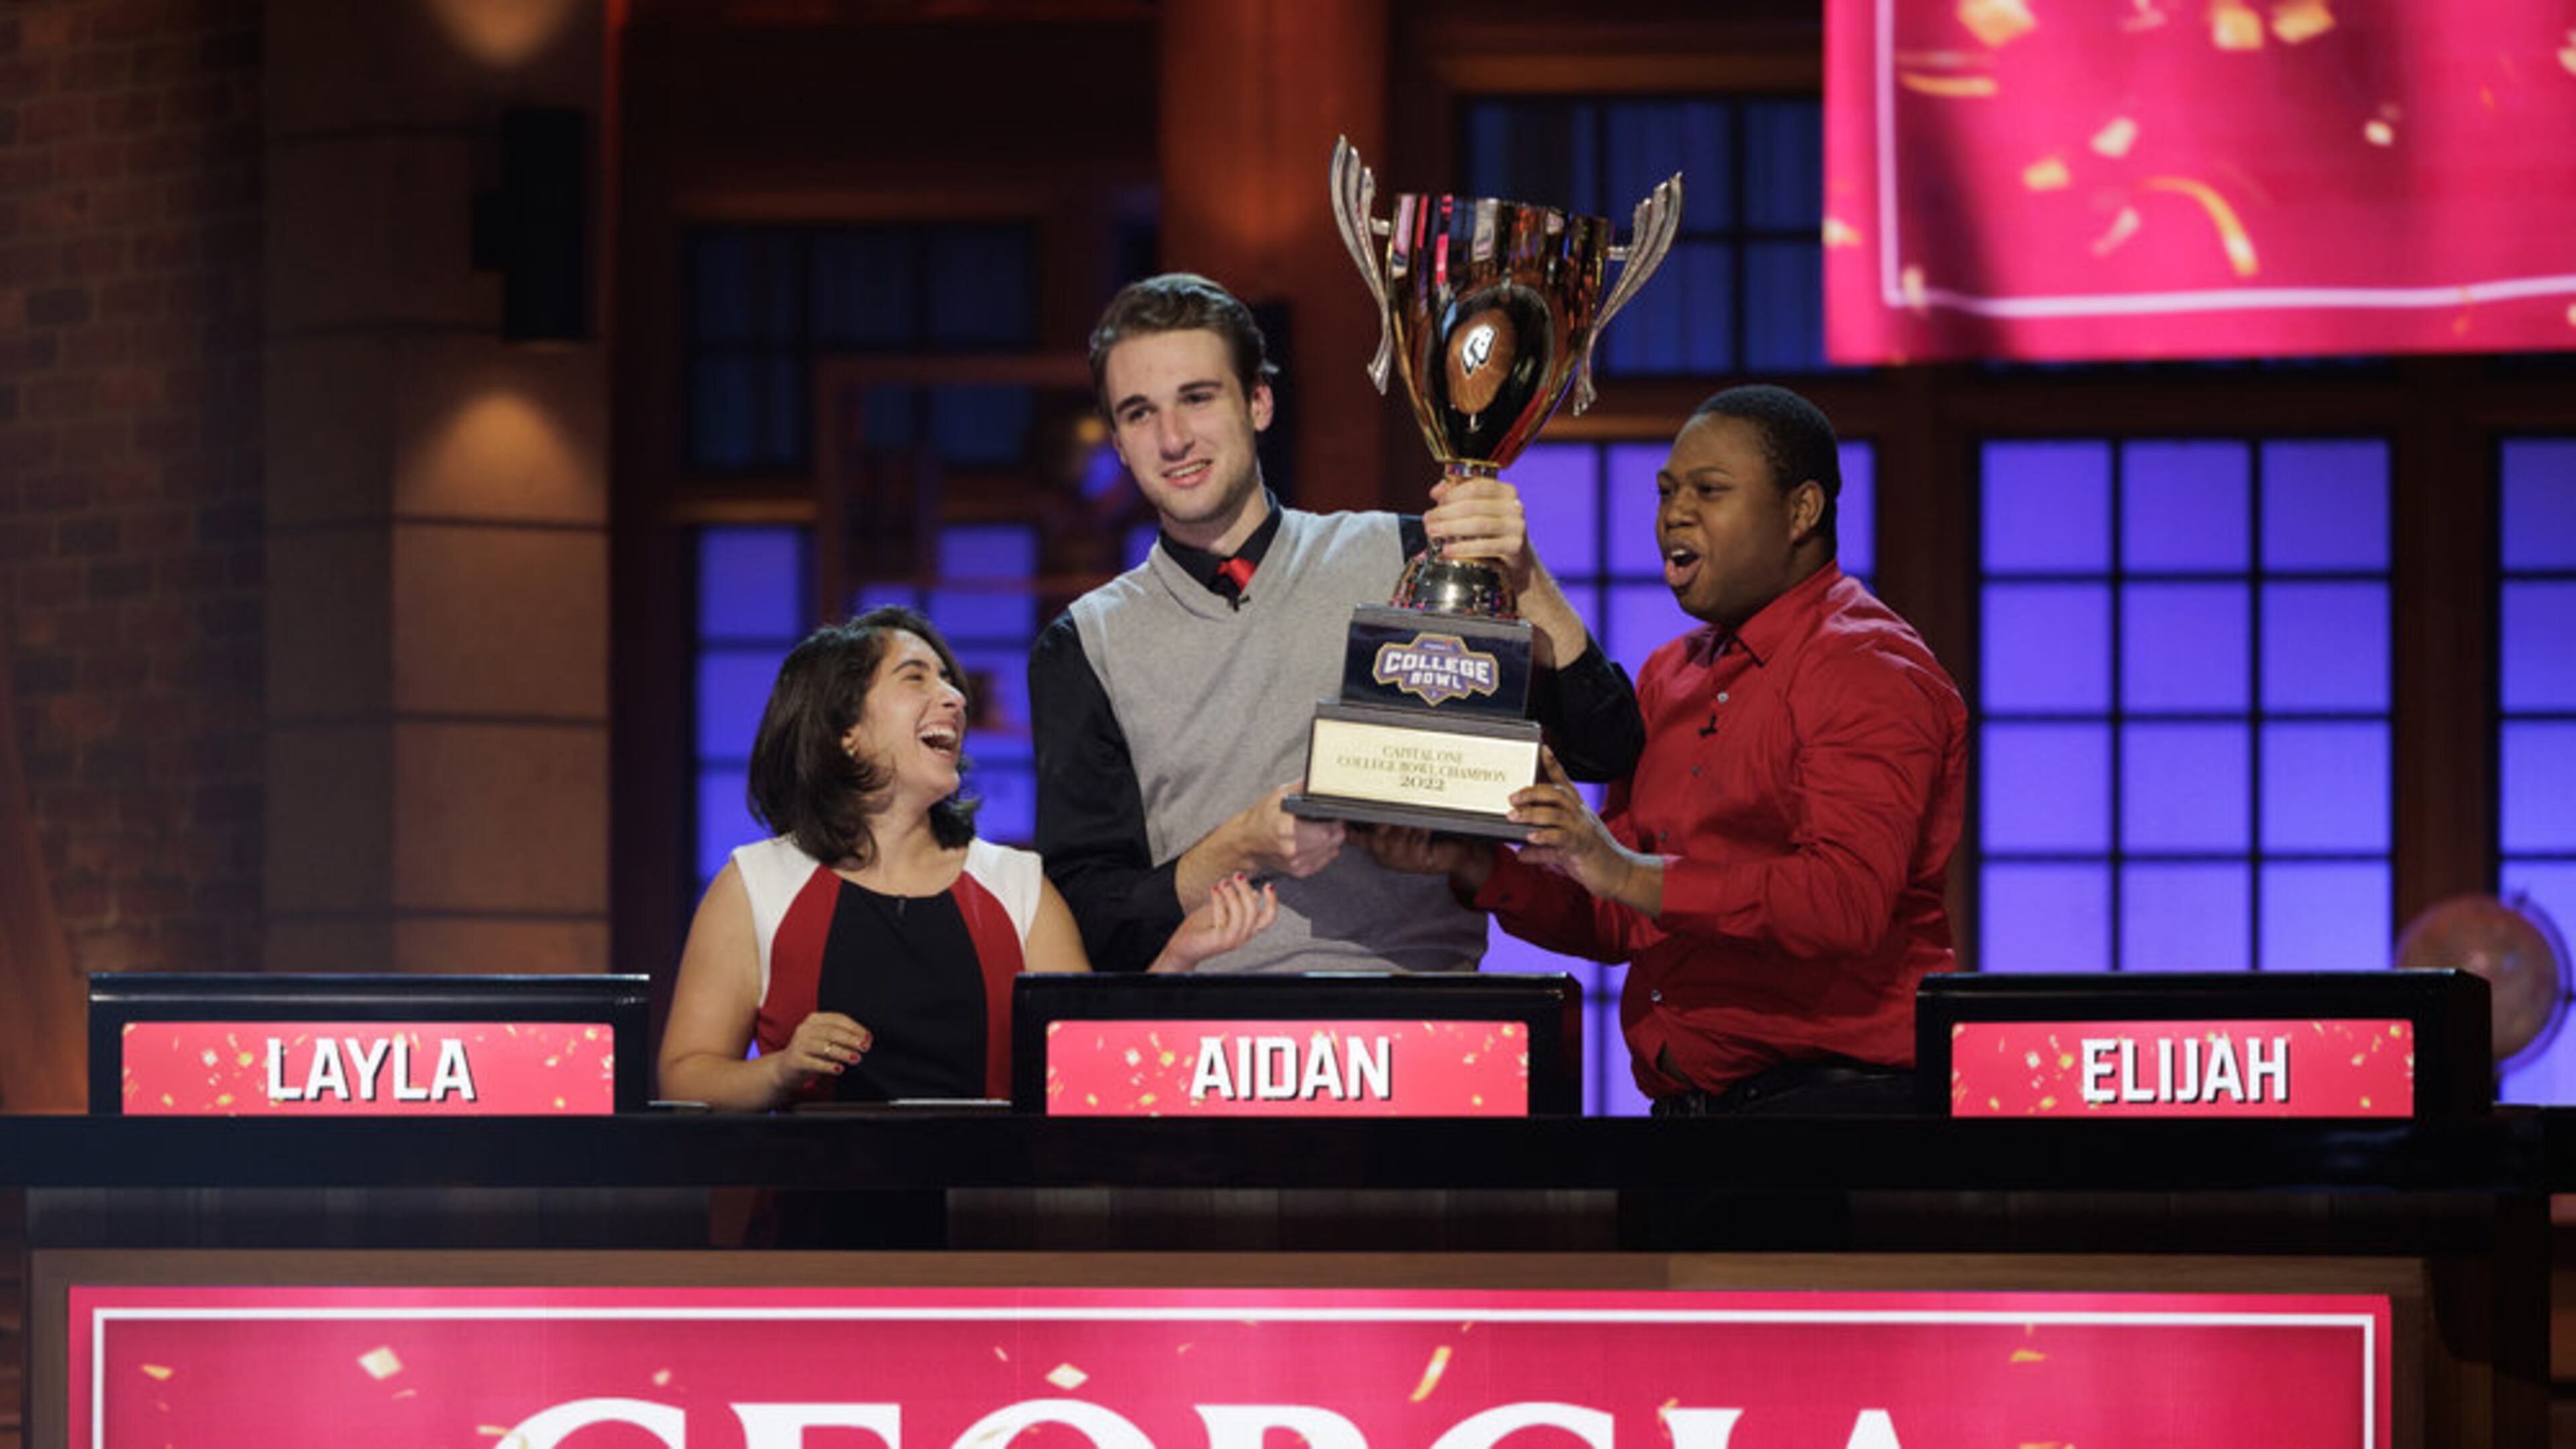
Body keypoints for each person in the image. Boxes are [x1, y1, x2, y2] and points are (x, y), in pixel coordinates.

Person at [1366, 385, 1968, 1114]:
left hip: (1840, 1116)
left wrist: (1619, 867)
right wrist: (1474, 863)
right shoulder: (1668, 674)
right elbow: (1622, 913)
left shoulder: (1866, 666)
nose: (1675, 513)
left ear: (1802, 512)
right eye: (1667, 491)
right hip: (1685, 1119)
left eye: (1709, 491)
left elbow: (1842, 904)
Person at [1028, 272, 1642, 975]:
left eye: (1198, 399)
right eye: (1139, 413)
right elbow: (1087, 915)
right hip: (1207, 1041)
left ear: (1258, 402)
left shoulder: (1411, 558)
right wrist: (1238, 848)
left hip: (1419, 1018)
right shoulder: (1086, 644)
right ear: (1117, 442)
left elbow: (1607, 746)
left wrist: (1527, 579)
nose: (1173, 439)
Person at [660, 606, 1275, 1112]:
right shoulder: (758, 884)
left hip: (992, 1235)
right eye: (915, 677)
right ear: (843, 732)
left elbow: (1094, 1067)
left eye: (949, 680)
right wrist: (780, 1072)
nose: (954, 697)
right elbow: (685, 1077)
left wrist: (1178, 958)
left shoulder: (1016, 885)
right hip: (815, 1244)